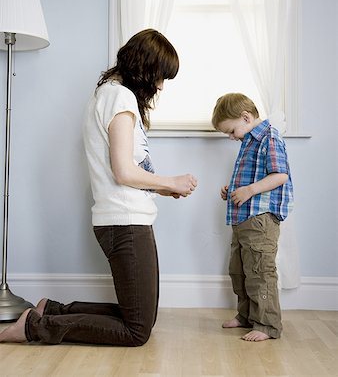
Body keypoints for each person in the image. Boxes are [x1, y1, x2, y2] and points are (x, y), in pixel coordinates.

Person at [0, 29, 197, 345]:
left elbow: (122, 169)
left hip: (126, 218)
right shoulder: (120, 98)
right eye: (159, 76)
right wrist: (169, 181)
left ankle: (49, 309)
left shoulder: (108, 93)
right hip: (125, 222)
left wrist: (160, 188)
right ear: (143, 68)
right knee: (137, 331)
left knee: (143, 318)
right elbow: (122, 171)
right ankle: (34, 327)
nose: (160, 85)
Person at [211, 93, 293, 342]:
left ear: (246, 117)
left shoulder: (269, 138)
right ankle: (246, 315)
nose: (231, 136)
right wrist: (233, 189)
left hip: (261, 219)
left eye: (231, 130)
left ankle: (267, 324)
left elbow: (280, 175)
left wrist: (249, 190)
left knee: (260, 270)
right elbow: (250, 176)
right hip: (243, 217)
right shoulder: (249, 141)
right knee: (240, 269)